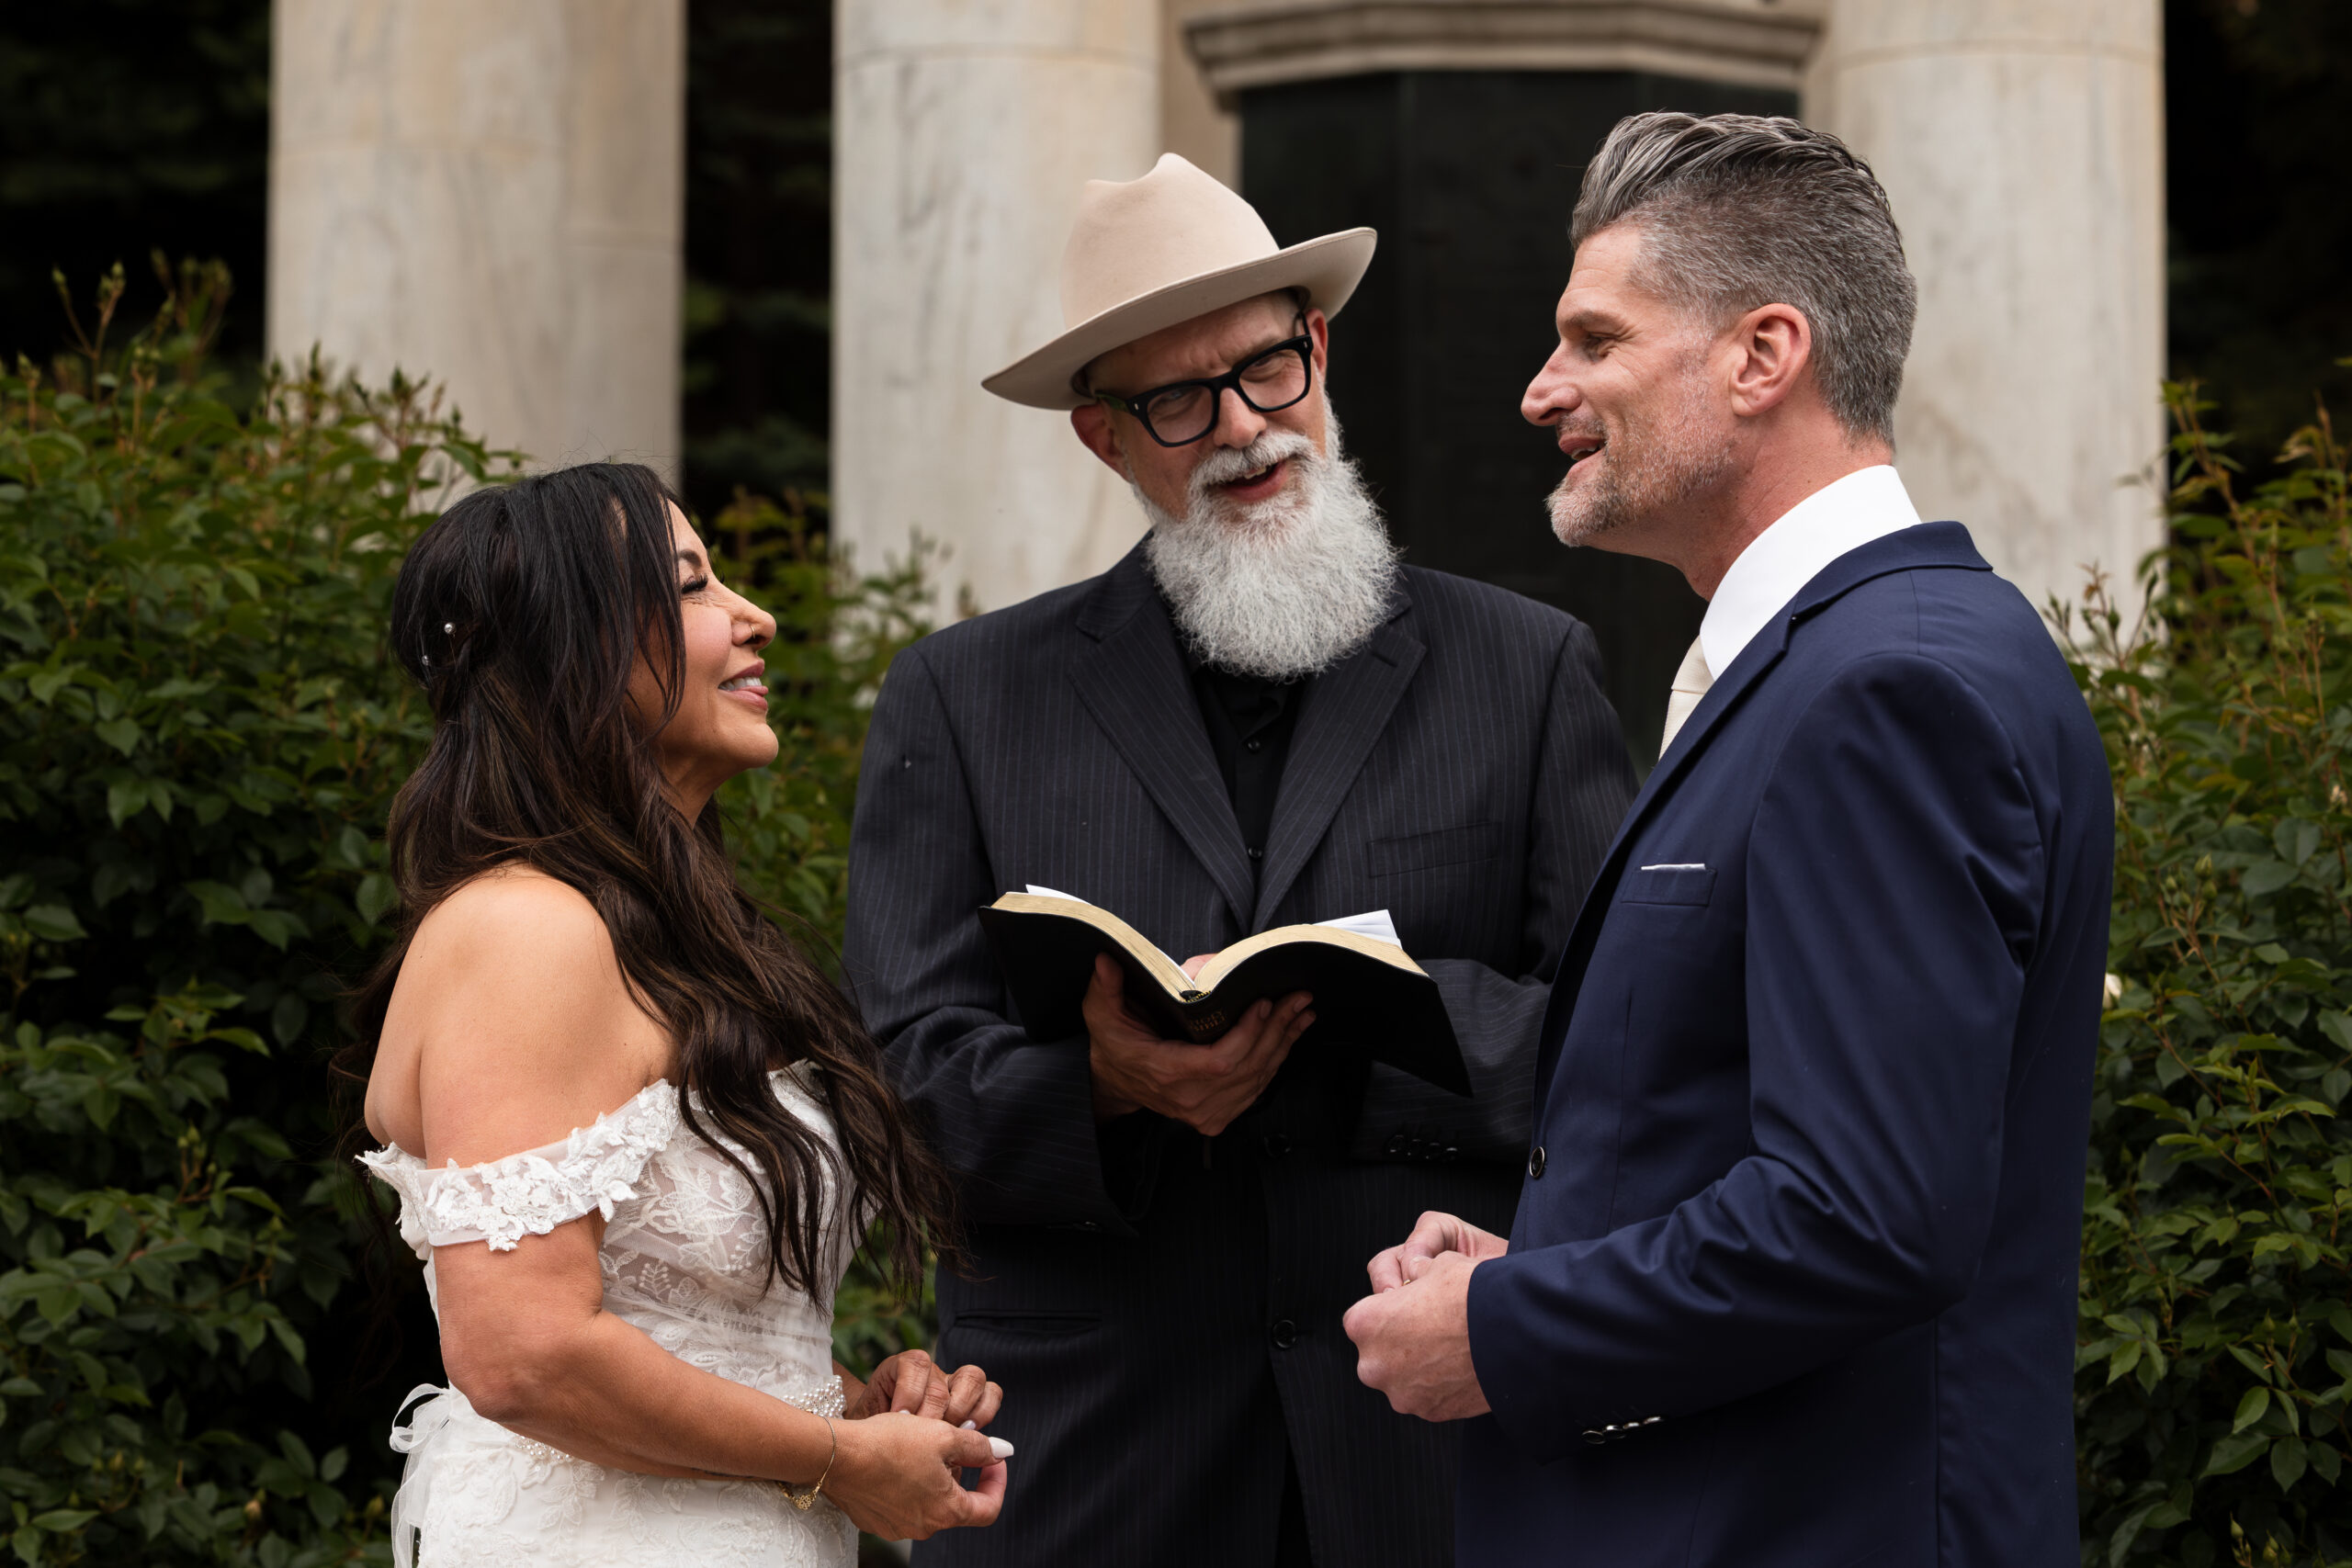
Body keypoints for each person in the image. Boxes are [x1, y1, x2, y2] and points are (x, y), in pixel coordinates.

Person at [1342, 112, 2115, 1565]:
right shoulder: (1846, 660)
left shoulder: (1889, 685)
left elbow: (1869, 1214)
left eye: (1593, 338)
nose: (1539, 390)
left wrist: (1509, 1329)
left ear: (1764, 356)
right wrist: (1550, 1260)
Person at [842, 154, 1635, 1565]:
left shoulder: (1526, 669)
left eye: (1267, 367)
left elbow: (1625, 1039)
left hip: (1436, 1449)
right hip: (1097, 1455)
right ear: (1104, 437)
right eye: (1177, 399)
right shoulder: (962, 696)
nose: (1243, 428)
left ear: (1316, 348)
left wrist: (1367, 1027)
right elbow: (896, 1092)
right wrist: (1099, 1081)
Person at [346, 463, 1011, 1566]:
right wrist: (838, 1463)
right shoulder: (522, 931)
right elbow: (522, 1354)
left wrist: (854, 1407)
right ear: (577, 650)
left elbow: (683, 1329)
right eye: (693, 585)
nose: (757, 616)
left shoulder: (661, 936)